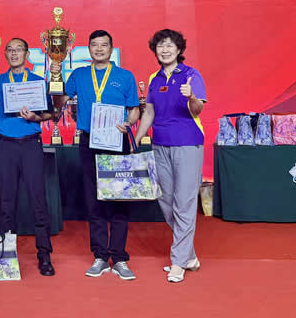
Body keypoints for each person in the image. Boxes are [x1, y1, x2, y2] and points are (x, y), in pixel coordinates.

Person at [52, 30, 140, 280]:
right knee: (94, 200)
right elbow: (59, 103)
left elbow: (134, 109)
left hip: (117, 140)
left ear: (111, 48)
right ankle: (100, 256)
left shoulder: (125, 76)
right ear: (88, 48)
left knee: (119, 199)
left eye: (104, 45)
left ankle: (120, 257)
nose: (99, 49)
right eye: (94, 45)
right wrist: (56, 78)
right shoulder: (79, 75)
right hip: (89, 141)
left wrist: (128, 123)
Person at [130, 28, 207, 283]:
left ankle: (178, 262)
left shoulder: (191, 75)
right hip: (160, 144)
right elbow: (149, 113)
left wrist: (191, 96)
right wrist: (136, 139)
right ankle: (189, 256)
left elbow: (197, 109)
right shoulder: (154, 78)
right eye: (160, 45)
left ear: (179, 49)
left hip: (187, 143)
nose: (165, 50)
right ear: (155, 50)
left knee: (184, 202)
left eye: (170, 45)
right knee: (165, 201)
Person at [0, 38, 57, 276]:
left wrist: (35, 118)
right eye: (10, 50)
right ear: (4, 55)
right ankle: (6, 254)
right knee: (6, 203)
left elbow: (50, 114)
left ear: (27, 54)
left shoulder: (38, 81)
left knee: (38, 201)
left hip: (31, 144)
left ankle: (44, 254)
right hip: (5, 146)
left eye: (18, 50)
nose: (14, 54)